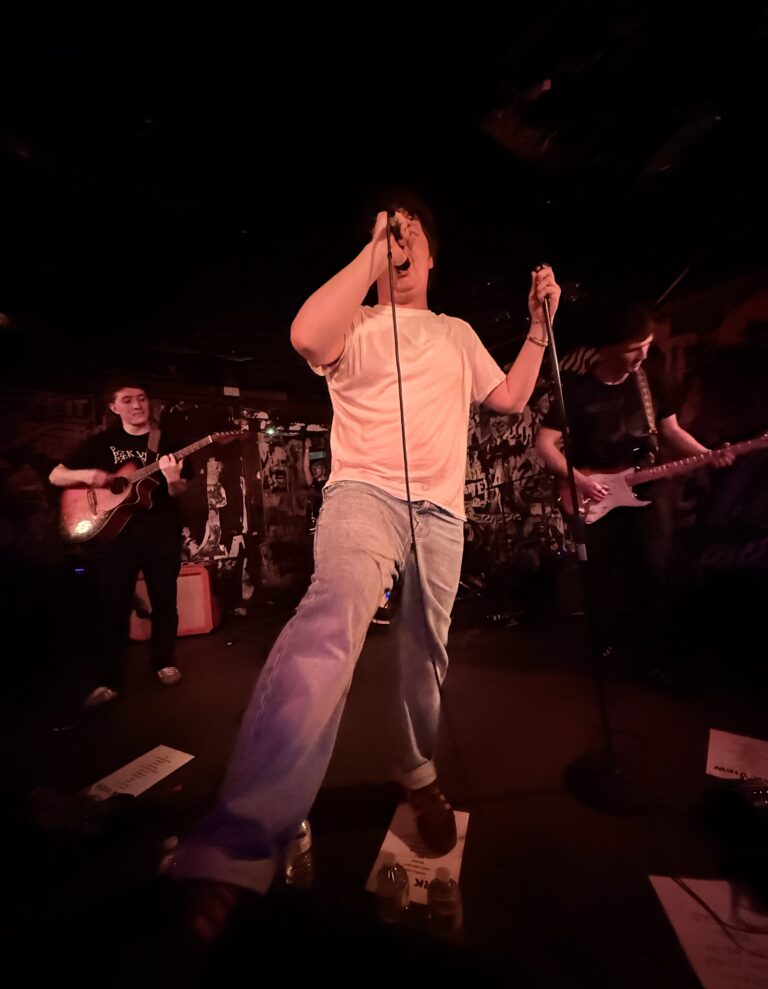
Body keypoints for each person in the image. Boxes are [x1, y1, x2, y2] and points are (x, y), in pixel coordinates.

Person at [170, 197, 560, 940]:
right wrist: (375, 253)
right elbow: (303, 335)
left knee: (428, 649)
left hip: (441, 510)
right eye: (390, 230)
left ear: (434, 255)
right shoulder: (352, 322)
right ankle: (241, 839)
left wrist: (539, 329)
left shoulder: (456, 333)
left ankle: (418, 774)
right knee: (332, 620)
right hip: (363, 495)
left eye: (412, 232)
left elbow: (509, 399)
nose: (402, 239)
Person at [536, 302, 733, 682]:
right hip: (595, 494)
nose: (642, 355)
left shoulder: (651, 380)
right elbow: (544, 443)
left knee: (652, 572)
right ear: (607, 348)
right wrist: (579, 480)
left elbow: (671, 431)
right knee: (603, 577)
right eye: (632, 349)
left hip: (646, 494)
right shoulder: (576, 391)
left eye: (646, 345)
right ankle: (604, 648)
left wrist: (707, 454)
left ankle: (653, 659)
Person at [49, 379, 193, 706]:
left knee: (165, 602)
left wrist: (173, 480)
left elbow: (180, 491)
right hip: (115, 540)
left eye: (141, 398)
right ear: (114, 408)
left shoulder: (168, 443)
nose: (137, 405)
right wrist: (91, 477)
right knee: (113, 608)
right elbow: (56, 475)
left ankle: (164, 662)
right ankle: (109, 680)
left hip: (161, 536)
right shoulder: (101, 443)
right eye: (127, 400)